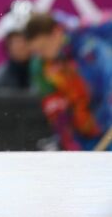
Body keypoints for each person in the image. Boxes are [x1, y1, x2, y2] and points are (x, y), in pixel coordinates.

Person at [0, 0, 53, 151]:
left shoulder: (52, 76)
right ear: (7, 42)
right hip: (2, 162)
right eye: (16, 39)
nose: (22, 45)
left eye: (26, 38)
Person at [24, 12, 112, 150]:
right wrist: (69, 146)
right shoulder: (41, 66)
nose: (41, 55)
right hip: (82, 137)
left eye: (43, 47)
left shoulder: (88, 47)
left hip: (106, 125)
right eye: (36, 51)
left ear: (56, 33)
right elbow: (56, 113)